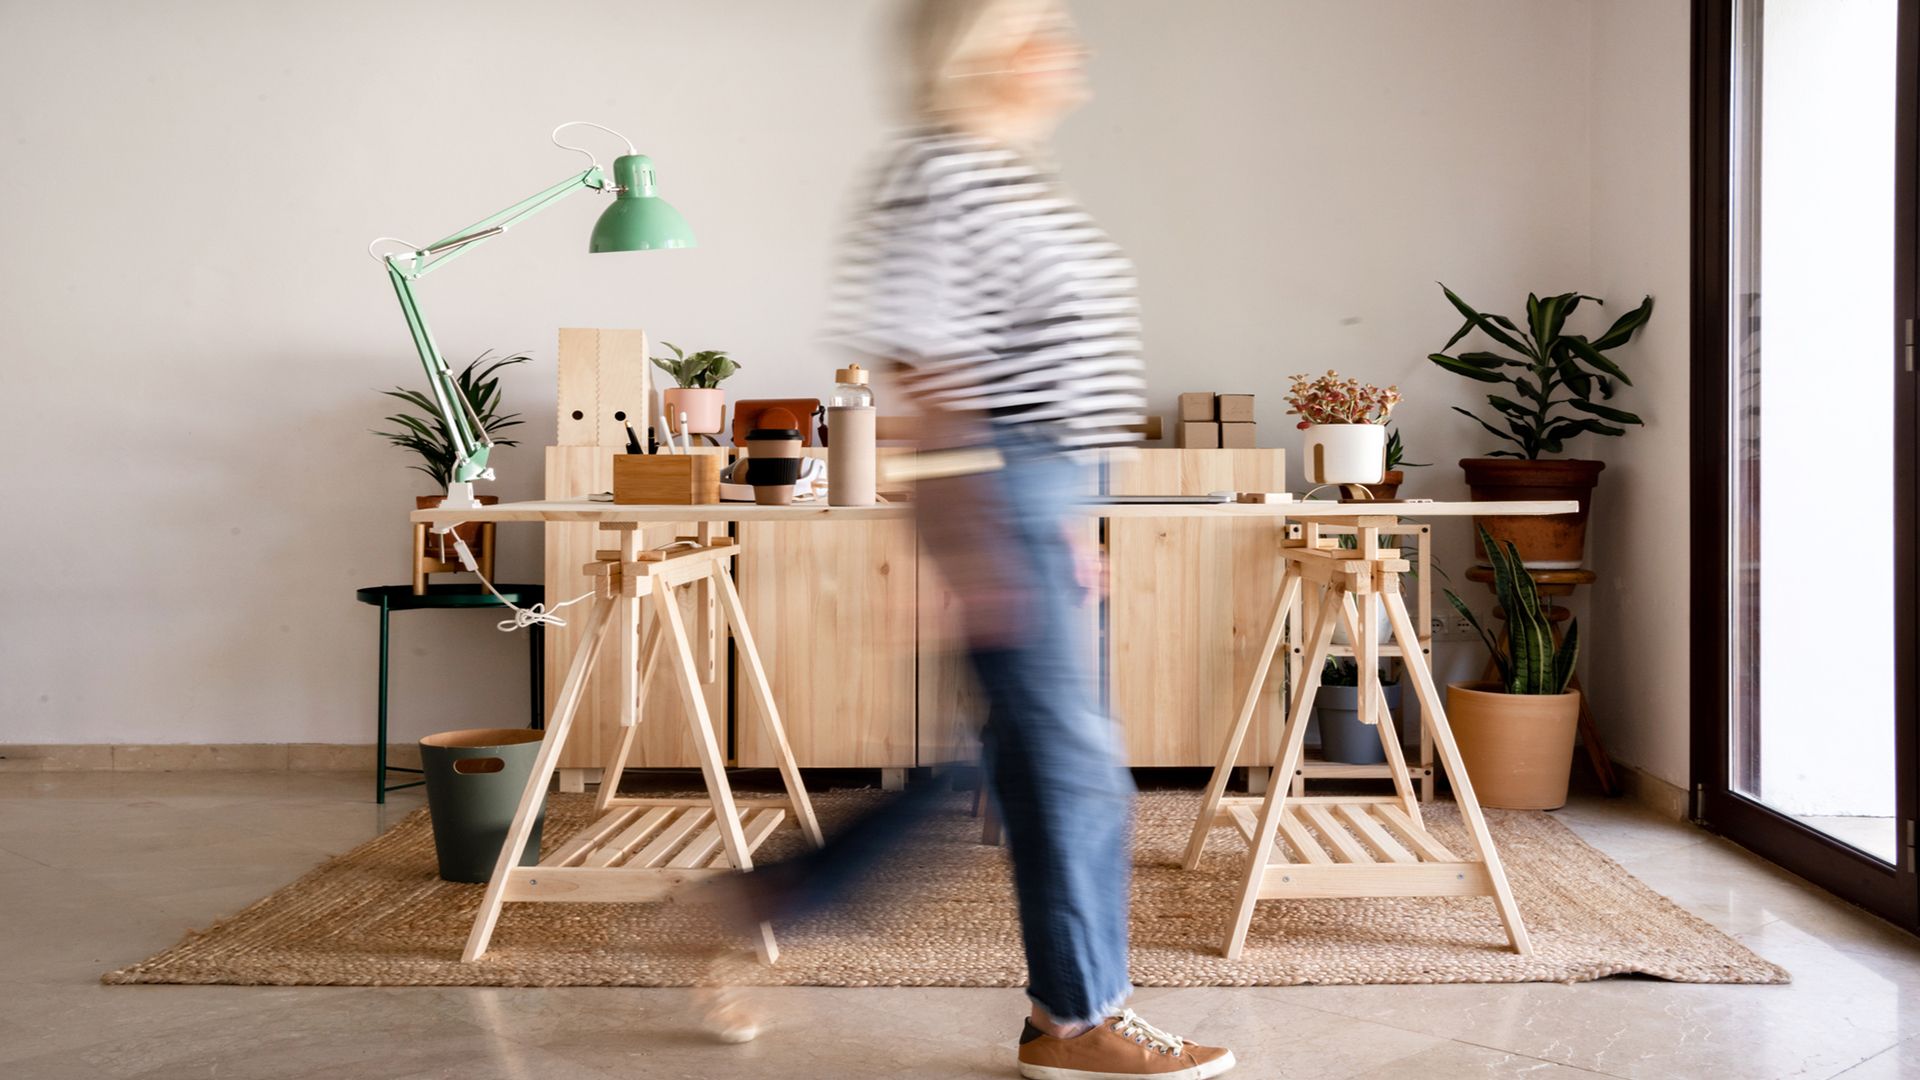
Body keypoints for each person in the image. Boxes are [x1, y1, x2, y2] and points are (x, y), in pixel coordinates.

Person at [698, 2, 1235, 1076]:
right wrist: (973, 536)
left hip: (1039, 493)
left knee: (1020, 762)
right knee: (1072, 771)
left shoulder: (1009, 179)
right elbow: (926, 370)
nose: (1069, 47)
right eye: (1046, 27)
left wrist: (1068, 518)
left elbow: (1037, 376)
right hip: (997, 489)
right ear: (984, 50)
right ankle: (1077, 1024)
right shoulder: (937, 173)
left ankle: (782, 898)